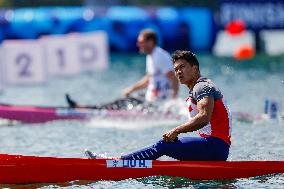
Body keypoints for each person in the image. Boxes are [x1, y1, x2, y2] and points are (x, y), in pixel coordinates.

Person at [86, 50, 232, 161]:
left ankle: (119, 161)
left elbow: (203, 117)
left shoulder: (202, 87)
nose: (178, 72)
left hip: (215, 146)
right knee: (169, 145)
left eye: (182, 67)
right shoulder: (198, 88)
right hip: (215, 147)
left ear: (195, 68)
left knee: (164, 145)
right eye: (176, 69)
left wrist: (176, 130)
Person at [123, 29, 179, 102]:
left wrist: (173, 100)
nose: (138, 44)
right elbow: (148, 80)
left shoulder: (159, 56)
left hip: (161, 102)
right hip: (153, 99)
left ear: (150, 42)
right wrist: (131, 89)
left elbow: (173, 77)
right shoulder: (151, 55)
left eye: (141, 42)